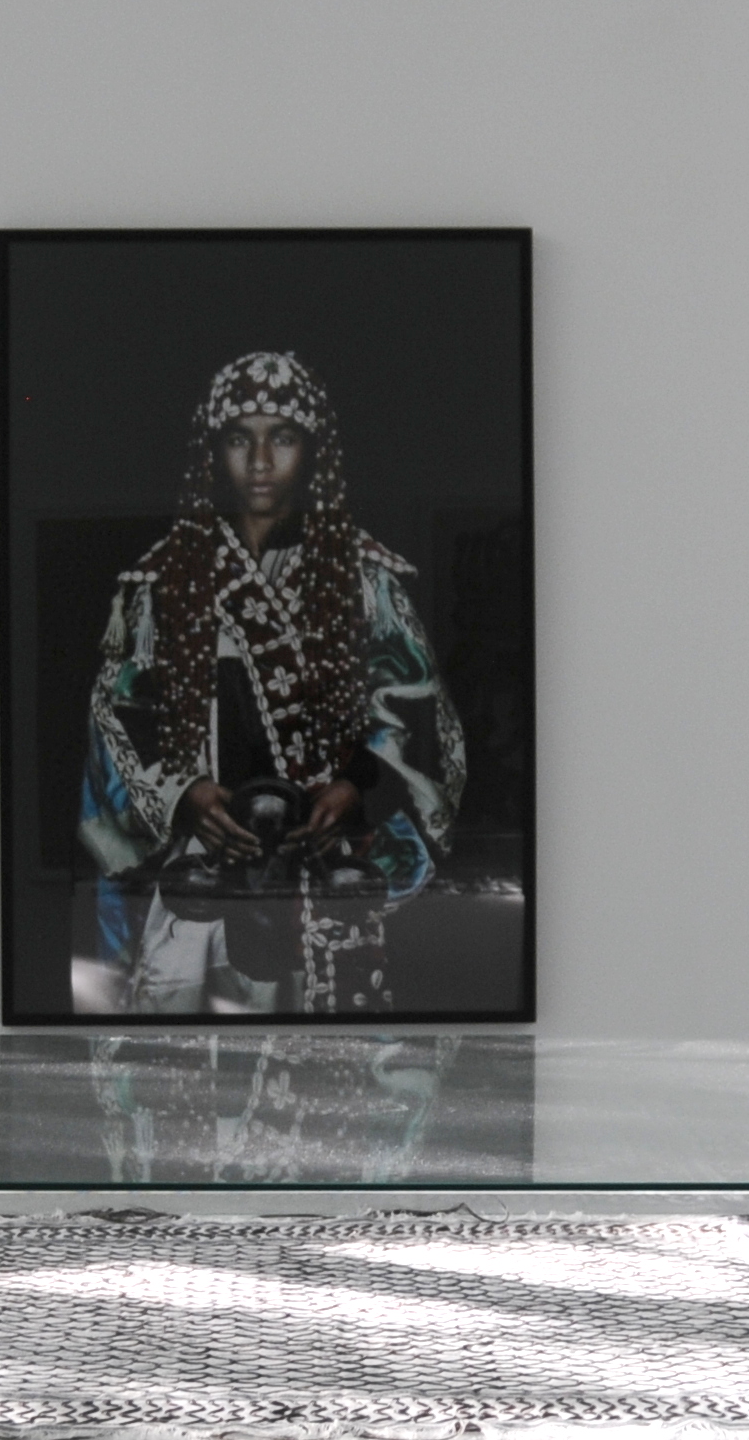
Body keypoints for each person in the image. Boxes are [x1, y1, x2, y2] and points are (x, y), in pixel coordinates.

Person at [78, 349, 463, 1014]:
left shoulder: (366, 580)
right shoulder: (162, 585)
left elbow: (415, 713)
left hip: (327, 867)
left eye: (281, 437)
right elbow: (117, 718)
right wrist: (184, 795)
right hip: (198, 873)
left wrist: (356, 787)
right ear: (212, 453)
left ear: (313, 451)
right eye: (239, 439)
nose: (259, 462)